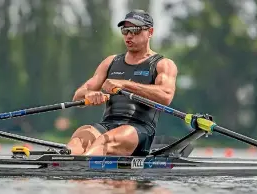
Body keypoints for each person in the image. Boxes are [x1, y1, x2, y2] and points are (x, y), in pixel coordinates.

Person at [66, 9, 178, 156]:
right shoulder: (110, 62)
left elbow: (166, 96)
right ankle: (68, 162)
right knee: (80, 138)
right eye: (125, 30)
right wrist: (90, 94)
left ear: (150, 32)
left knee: (103, 142)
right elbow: (78, 97)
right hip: (107, 125)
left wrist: (125, 85)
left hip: (138, 130)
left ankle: (85, 169)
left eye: (135, 30)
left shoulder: (163, 64)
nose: (129, 35)